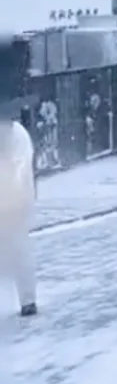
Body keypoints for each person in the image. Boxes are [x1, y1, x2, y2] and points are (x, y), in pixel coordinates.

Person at [0, 111, 37, 316]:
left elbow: (20, 169)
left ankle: (28, 300)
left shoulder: (17, 135)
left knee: (18, 250)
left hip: (15, 203)